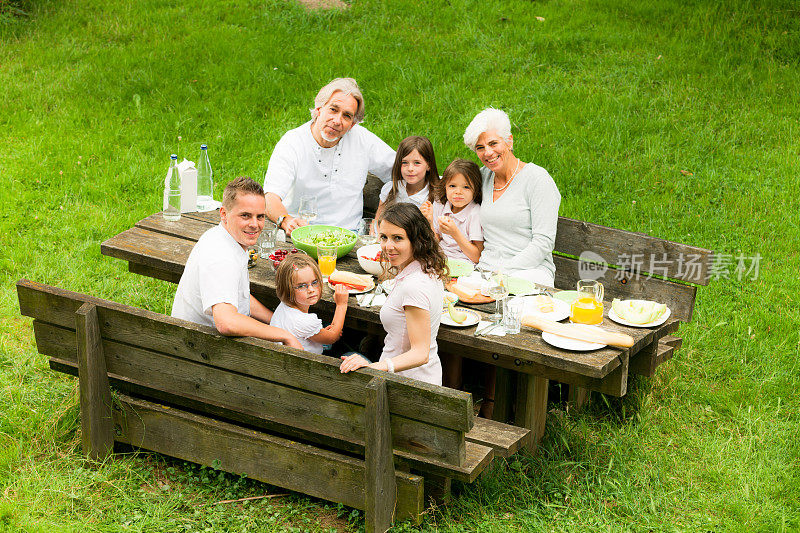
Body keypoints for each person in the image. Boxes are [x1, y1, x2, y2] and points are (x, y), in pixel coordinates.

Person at [171, 177, 302, 349]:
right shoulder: (221, 256)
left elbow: (238, 296)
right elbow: (227, 322)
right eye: (245, 216)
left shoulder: (223, 237)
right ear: (224, 214)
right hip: (200, 350)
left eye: (260, 216)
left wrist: (276, 322)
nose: (255, 224)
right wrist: (284, 335)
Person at [263, 78, 396, 234]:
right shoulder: (293, 141)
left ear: (352, 124)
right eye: (333, 109)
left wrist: (380, 216)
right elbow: (270, 197)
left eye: (347, 116)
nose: (337, 121)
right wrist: (286, 221)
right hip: (298, 235)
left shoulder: (363, 139)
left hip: (349, 237)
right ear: (319, 109)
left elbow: (403, 172)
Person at [339, 203, 446, 385]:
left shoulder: (414, 286)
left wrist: (373, 367)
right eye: (383, 237)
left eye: (397, 238)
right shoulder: (425, 268)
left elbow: (421, 353)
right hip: (407, 377)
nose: (388, 246)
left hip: (408, 384)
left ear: (417, 239)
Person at [463, 107, 561, 286]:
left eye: (493, 143)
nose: (488, 153)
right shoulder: (482, 177)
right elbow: (451, 189)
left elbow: (543, 243)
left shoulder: (537, 180)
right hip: (487, 271)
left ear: (509, 141)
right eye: (480, 147)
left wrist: (503, 272)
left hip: (530, 272)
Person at [271, 254, 350, 354]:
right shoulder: (305, 321)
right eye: (301, 286)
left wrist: (320, 331)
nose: (311, 290)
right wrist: (341, 305)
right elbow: (333, 337)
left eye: (315, 282)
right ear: (287, 289)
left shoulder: (284, 306)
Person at [420, 158, 484, 264]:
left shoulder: (474, 213)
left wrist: (454, 233)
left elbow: (477, 257)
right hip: (439, 257)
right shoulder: (441, 204)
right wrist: (429, 220)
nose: (458, 192)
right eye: (452, 186)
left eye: (466, 187)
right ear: (445, 186)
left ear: (476, 189)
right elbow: (435, 241)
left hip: (462, 263)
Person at [375, 136, 439, 220]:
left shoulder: (435, 196)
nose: (410, 169)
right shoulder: (391, 188)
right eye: (404, 162)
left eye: (417, 163)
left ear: (429, 165)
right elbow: (377, 223)